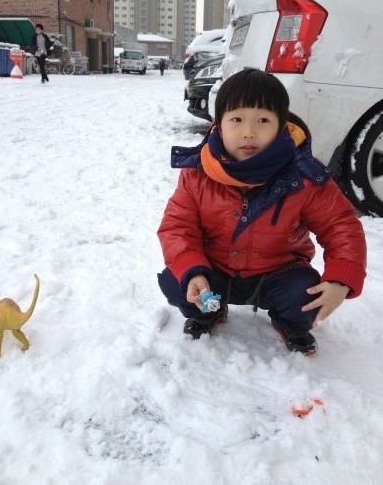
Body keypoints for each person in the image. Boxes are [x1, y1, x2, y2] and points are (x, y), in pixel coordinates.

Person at [157, 68, 366, 355]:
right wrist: (192, 271)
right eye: (237, 119)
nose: (249, 132)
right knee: (177, 281)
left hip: (277, 273)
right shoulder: (199, 174)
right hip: (215, 273)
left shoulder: (302, 175)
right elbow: (178, 226)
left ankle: (289, 322)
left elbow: (340, 224)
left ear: (281, 125)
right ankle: (209, 313)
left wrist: (341, 278)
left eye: (263, 120)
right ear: (219, 124)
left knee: (305, 296)